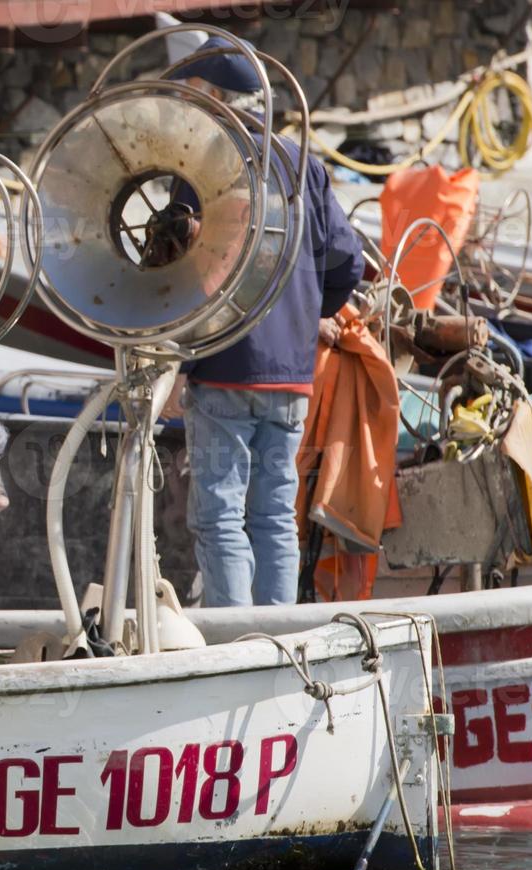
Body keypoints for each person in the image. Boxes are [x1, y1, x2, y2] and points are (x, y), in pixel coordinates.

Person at [166, 38, 364, 607]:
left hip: (224, 365)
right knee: (277, 514)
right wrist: (305, 317)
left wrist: (182, 363)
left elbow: (180, 274)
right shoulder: (307, 166)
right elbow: (346, 264)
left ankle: (231, 641)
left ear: (209, 96)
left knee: (220, 514)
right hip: (293, 374)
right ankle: (278, 638)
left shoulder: (199, 167)